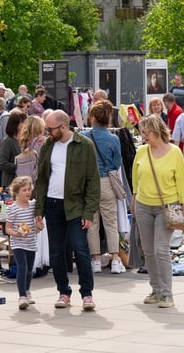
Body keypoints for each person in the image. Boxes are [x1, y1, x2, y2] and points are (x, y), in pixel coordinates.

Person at [34, 110, 100, 311]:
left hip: (76, 205)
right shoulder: (47, 145)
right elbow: (42, 179)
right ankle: (63, 292)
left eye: (50, 129)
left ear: (63, 126)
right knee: (56, 253)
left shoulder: (84, 145)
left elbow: (92, 181)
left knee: (80, 249)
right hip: (53, 205)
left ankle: (87, 294)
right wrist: (39, 209)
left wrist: (89, 212)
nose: (47, 132)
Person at [132, 115, 184, 308]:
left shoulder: (174, 152)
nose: (143, 136)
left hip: (166, 206)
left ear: (156, 131)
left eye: (146, 132)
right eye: (142, 132)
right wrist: (134, 201)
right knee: (148, 251)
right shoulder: (142, 151)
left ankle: (167, 294)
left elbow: (183, 182)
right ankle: (156, 290)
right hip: (143, 204)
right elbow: (135, 178)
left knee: (160, 249)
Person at [84, 100, 126, 274]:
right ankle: (115, 259)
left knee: (91, 223)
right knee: (111, 222)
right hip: (107, 182)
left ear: (93, 117)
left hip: (89, 183)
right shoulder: (113, 138)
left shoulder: (84, 137)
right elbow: (117, 162)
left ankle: (95, 259)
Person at [5, 176, 42, 310]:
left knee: (29, 269)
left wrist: (39, 226)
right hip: (18, 243)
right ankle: (21, 296)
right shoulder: (12, 208)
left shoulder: (33, 205)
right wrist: (16, 233)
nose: (27, 192)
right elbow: (7, 228)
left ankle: (27, 291)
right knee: (22, 267)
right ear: (16, 192)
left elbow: (35, 227)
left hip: (31, 242)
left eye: (29, 189)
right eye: (24, 190)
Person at [0, 111, 26, 188]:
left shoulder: (24, 141)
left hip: (22, 183)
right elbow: (1, 164)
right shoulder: (8, 141)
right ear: (16, 124)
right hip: (11, 184)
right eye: (23, 121)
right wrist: (19, 167)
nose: (25, 124)